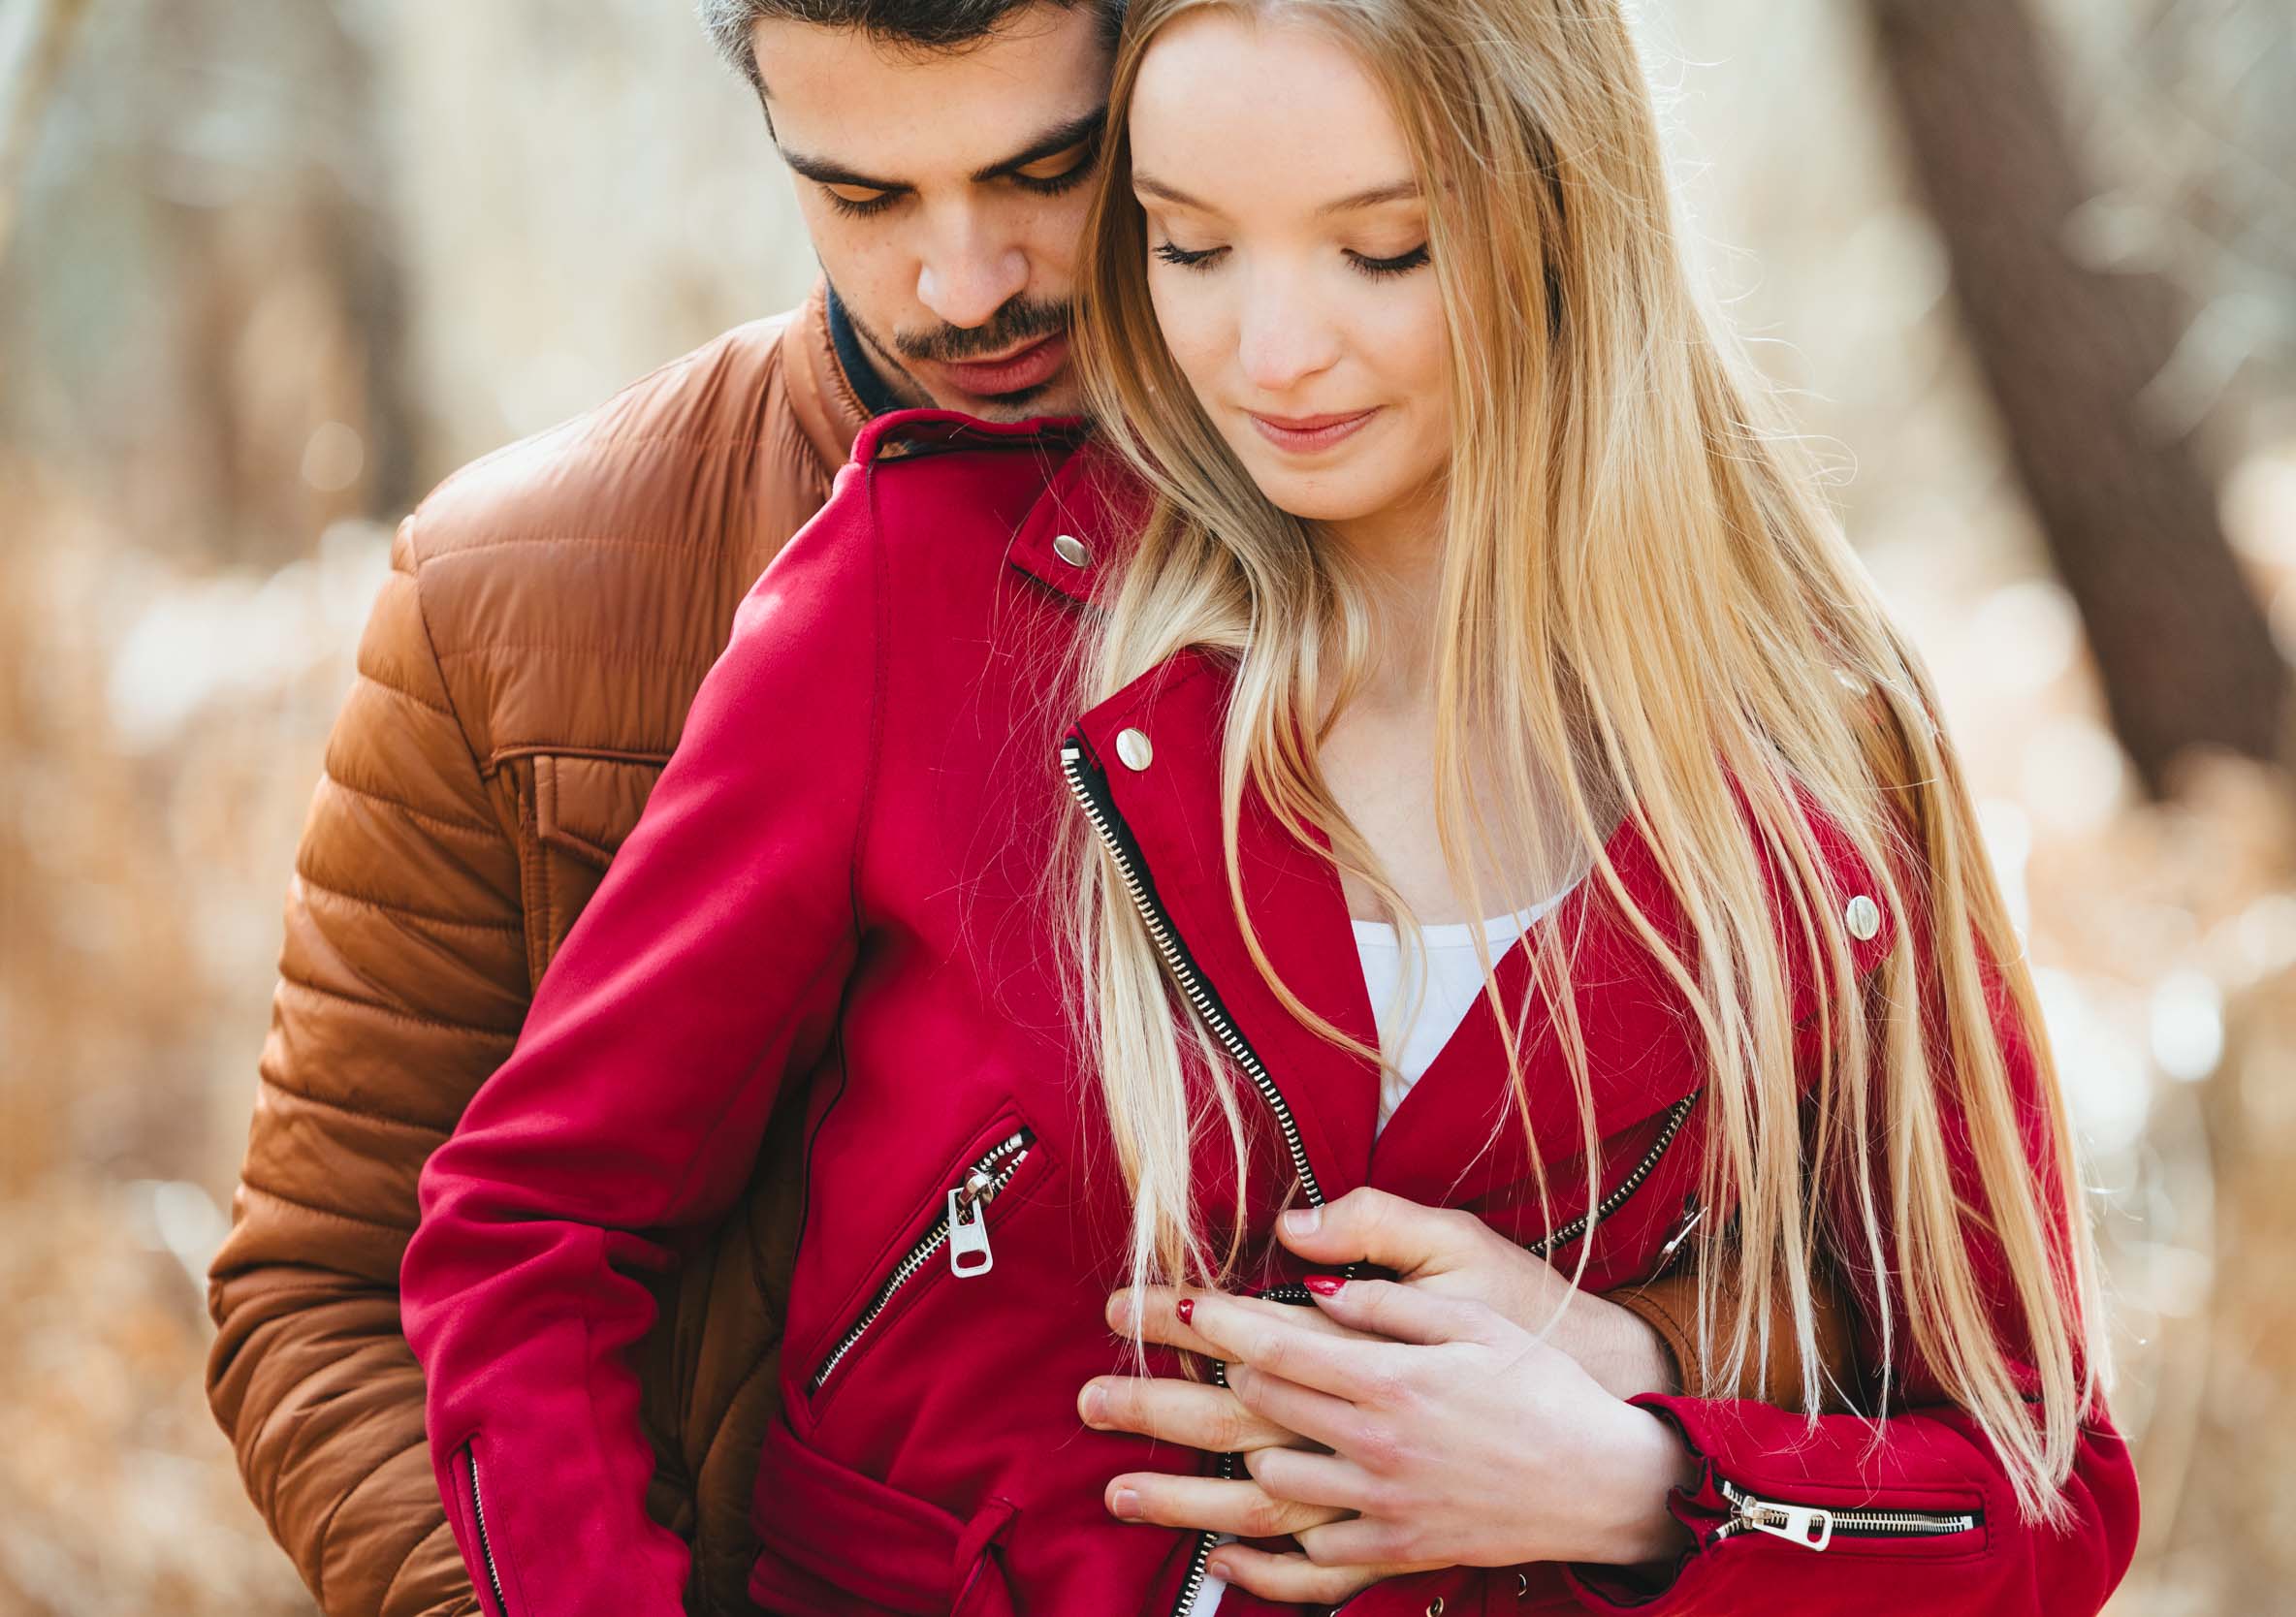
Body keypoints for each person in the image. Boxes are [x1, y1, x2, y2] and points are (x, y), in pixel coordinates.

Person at [398, 0, 2142, 1612]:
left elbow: (2042, 1490)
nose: (1272, 351)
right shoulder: (924, 598)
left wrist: (1633, 1475)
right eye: (1191, 244)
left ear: (1561, 214)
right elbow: (525, 1237)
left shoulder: (1814, 763)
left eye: (1384, 247)